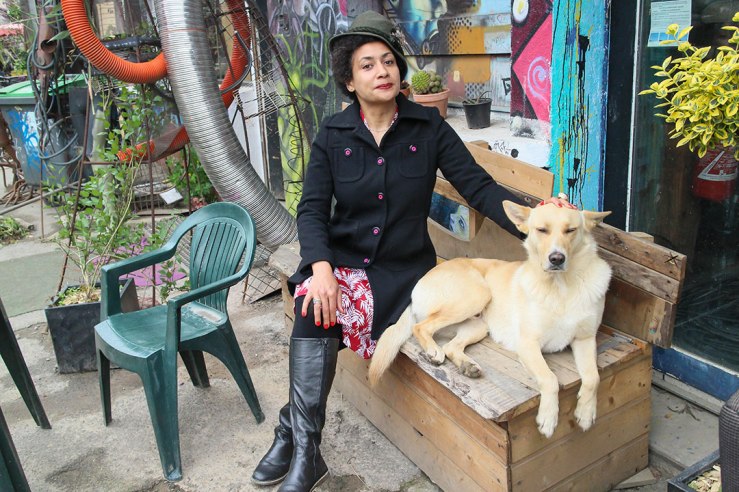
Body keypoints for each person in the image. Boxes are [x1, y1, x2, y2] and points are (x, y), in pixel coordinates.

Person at [251, 11, 572, 492]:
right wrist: (320, 268)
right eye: (367, 65)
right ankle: (304, 446)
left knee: (323, 315)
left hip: (404, 274)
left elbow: (479, 188)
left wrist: (539, 215)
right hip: (344, 264)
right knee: (315, 305)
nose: (382, 72)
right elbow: (312, 209)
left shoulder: (429, 128)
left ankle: (293, 437)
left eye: (388, 61)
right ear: (349, 80)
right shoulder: (333, 135)